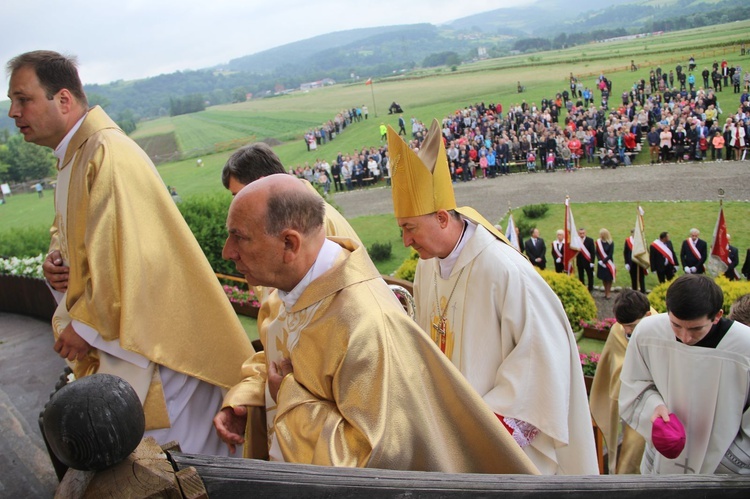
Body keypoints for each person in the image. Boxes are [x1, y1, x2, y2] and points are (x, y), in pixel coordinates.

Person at [7, 50, 253, 455]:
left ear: (63, 100)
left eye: (23, 99)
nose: (14, 112)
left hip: (156, 342)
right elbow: (75, 235)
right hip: (126, 334)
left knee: (183, 459)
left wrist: (84, 328)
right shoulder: (75, 156)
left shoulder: (106, 153)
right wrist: (56, 260)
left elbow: (131, 257)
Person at [214, 174, 538, 474]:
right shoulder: (290, 289)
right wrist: (249, 397)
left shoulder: (365, 326)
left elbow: (373, 462)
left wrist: (286, 396)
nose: (228, 252)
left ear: (290, 244)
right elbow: (281, 351)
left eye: (239, 238)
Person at [386, 119, 598, 475]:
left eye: (410, 228)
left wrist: (477, 434)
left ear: (441, 217)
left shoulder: (504, 271)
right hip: (447, 433)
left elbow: (542, 361)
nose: (405, 241)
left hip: (492, 446)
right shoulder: (427, 264)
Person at [619, 275, 750, 475]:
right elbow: (635, 382)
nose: (685, 337)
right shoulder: (648, 333)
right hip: (662, 455)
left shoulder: (744, 347)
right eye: (676, 325)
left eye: (696, 328)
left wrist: (732, 459)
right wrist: (653, 408)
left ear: (717, 316)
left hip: (724, 464)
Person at [590, 290, 654, 474]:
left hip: (656, 404)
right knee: (630, 455)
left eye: (632, 325)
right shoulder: (619, 330)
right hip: (630, 402)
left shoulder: (663, 329)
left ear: (648, 315)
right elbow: (614, 364)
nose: (626, 330)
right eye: (623, 325)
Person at [624, 229, 647, 293]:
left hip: (640, 262)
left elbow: (646, 252)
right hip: (632, 263)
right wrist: (626, 263)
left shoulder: (642, 241)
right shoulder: (628, 241)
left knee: (641, 279)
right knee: (633, 279)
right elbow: (626, 252)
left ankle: (643, 292)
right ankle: (634, 292)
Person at [596, 228, 616, 299]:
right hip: (601, 263)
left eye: (601, 234)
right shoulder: (598, 242)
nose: (600, 235)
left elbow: (610, 254)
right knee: (604, 279)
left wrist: (604, 261)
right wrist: (599, 261)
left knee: (609, 279)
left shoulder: (610, 243)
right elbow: (597, 252)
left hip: (608, 263)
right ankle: (605, 292)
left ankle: (608, 293)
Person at [577, 228, 596, 292]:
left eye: (583, 233)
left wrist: (592, 262)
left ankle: (590, 288)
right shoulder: (576, 240)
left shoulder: (590, 240)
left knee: (590, 275)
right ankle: (582, 288)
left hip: (588, 261)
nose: (582, 235)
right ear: (578, 233)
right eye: (580, 233)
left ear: (585, 233)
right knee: (581, 275)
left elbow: (593, 252)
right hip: (579, 261)